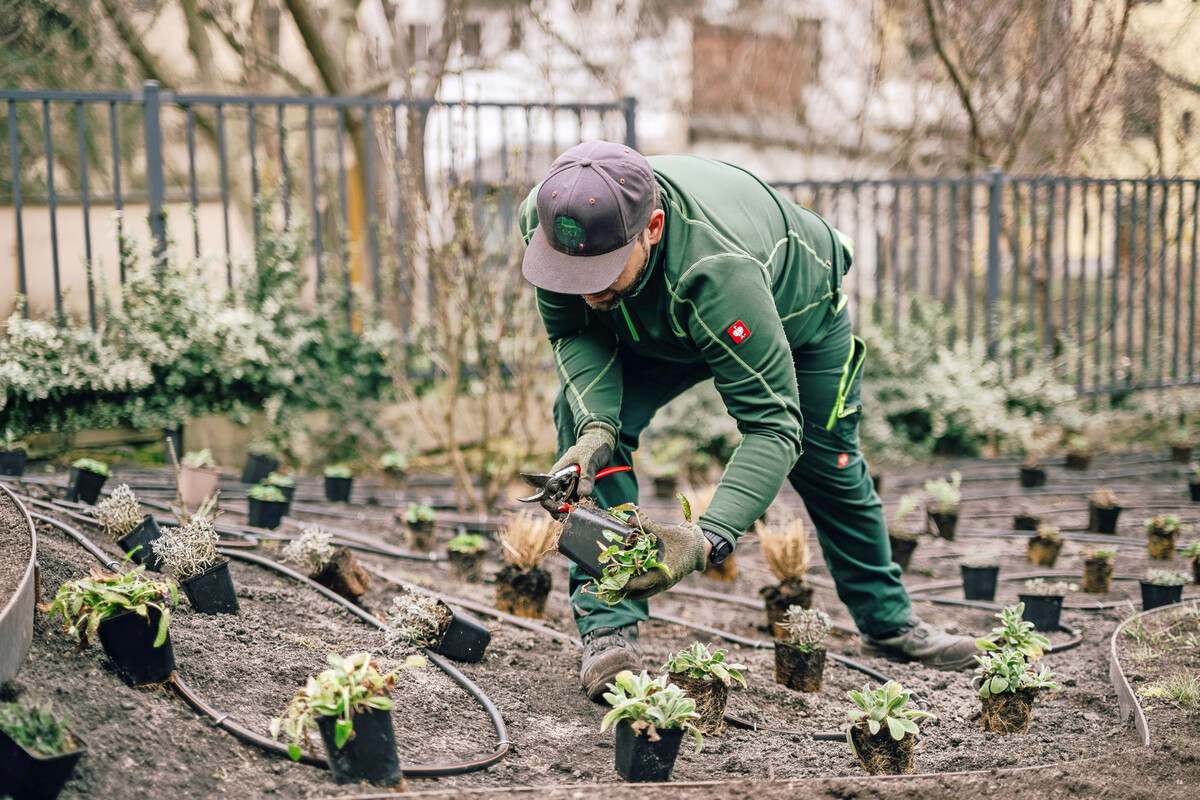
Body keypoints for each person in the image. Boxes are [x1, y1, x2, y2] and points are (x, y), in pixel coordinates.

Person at [518, 140, 977, 700]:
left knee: (825, 459)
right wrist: (596, 429)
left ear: (652, 227)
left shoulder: (721, 270)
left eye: (602, 269)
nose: (585, 287)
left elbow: (773, 427)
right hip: (653, 317)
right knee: (583, 425)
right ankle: (608, 629)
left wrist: (704, 537)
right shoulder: (552, 221)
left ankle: (890, 621)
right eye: (571, 272)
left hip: (791, 319)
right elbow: (572, 330)